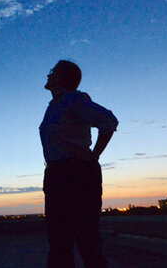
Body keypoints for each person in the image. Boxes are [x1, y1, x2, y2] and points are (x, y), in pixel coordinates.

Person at [39, 60, 118, 268]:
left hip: (77, 173)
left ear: (63, 77)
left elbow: (108, 120)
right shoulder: (54, 105)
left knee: (87, 239)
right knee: (58, 240)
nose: (48, 75)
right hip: (56, 175)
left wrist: (94, 155)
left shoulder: (73, 99)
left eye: (53, 71)